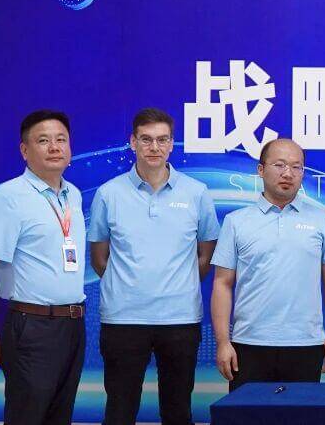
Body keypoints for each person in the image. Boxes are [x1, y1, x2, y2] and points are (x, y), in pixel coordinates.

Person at [88, 108, 220, 424]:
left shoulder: (196, 193)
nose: (154, 147)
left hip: (180, 319)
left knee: (177, 412)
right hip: (123, 319)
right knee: (119, 411)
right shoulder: (109, 193)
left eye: (162, 140)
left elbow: (206, 255)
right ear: (132, 142)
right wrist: (130, 286)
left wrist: (179, 284)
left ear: (172, 144)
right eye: (146, 139)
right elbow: (100, 259)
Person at [0, 110, 87, 425]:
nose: (54, 147)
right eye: (43, 141)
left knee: (60, 417)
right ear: (25, 150)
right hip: (32, 327)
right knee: (27, 416)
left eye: (61, 140)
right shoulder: (8, 197)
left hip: (73, 325)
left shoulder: (73, 195)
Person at [209, 138, 325, 391]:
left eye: (296, 167)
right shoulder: (236, 221)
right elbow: (222, 283)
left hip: (306, 344)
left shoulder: (321, 220)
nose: (288, 173)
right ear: (261, 170)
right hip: (248, 344)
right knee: (248, 413)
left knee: (299, 412)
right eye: (279, 165)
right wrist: (223, 342)